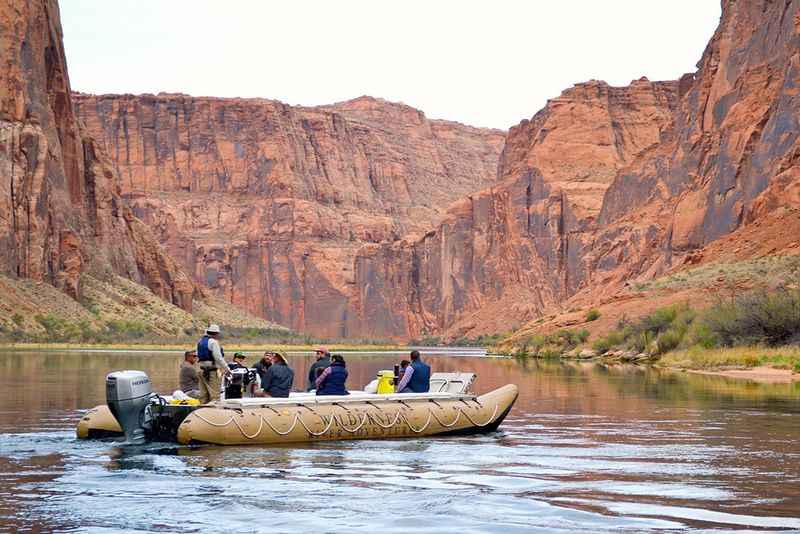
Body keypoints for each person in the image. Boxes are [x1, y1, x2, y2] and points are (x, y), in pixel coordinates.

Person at [196, 324, 231, 403]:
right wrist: (227, 369)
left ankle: (202, 412)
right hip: (211, 372)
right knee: (215, 396)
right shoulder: (213, 342)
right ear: (216, 333)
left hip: (201, 371)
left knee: (203, 396)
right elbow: (218, 358)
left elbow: (198, 355)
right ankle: (213, 413)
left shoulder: (200, 342)